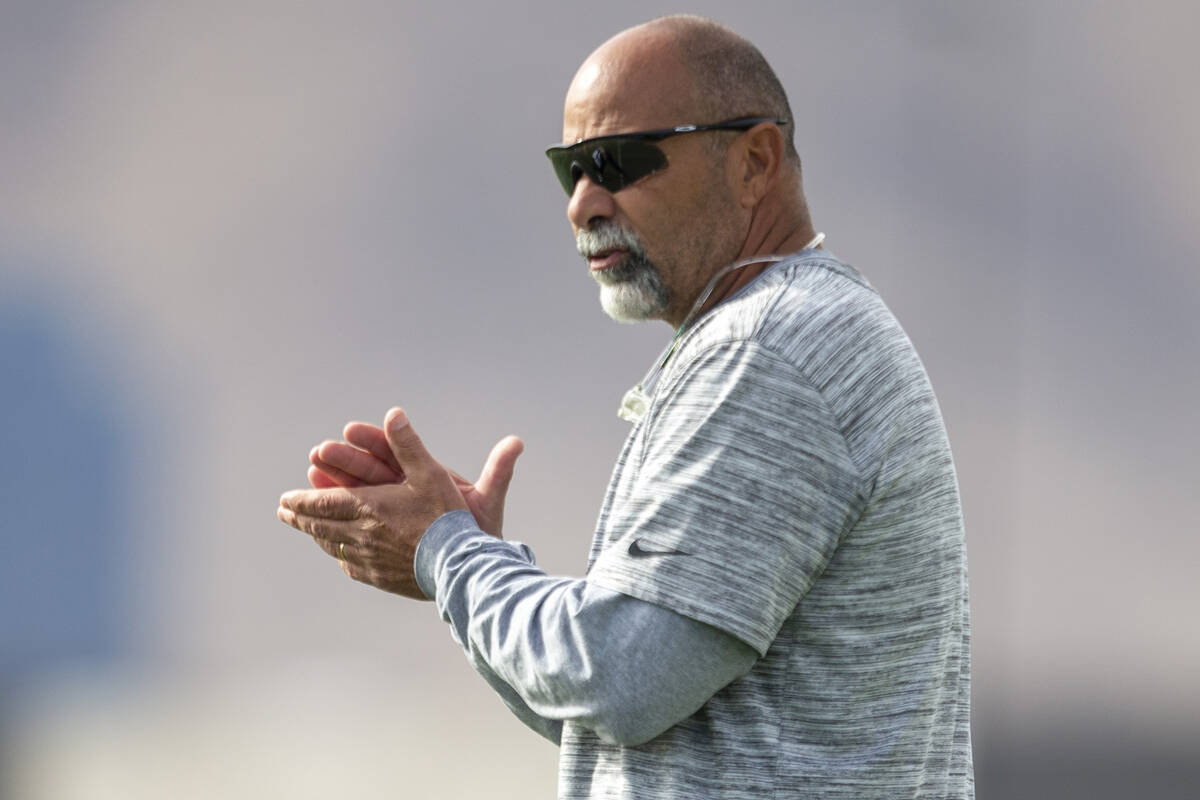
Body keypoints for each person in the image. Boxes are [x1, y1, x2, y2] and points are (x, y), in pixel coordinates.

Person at [277, 14, 973, 799]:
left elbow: (623, 679)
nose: (582, 203)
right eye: (568, 169)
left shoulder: (768, 351)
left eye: (616, 161)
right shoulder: (788, 333)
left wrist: (449, 554)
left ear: (754, 161)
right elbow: (612, 711)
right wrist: (469, 566)